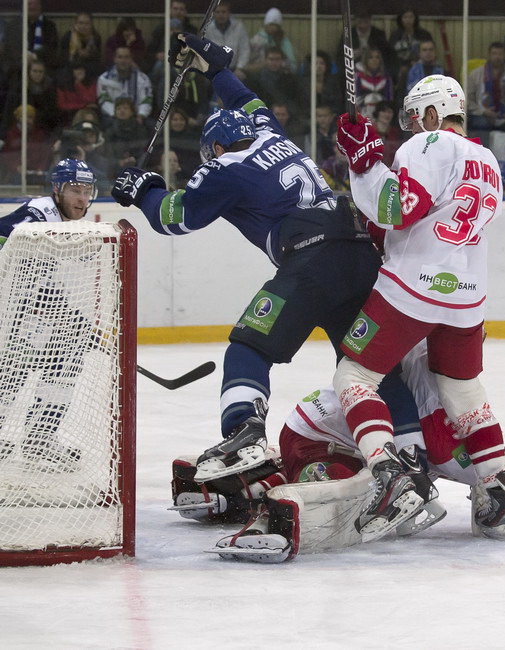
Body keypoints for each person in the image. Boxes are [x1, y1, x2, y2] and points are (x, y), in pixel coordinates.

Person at [110, 34, 414, 490]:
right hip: (361, 257)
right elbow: (246, 99)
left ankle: (243, 433)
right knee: (368, 369)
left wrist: (144, 189)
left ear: (214, 148)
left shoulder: (224, 168)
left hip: (313, 262)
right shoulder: (271, 132)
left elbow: (176, 219)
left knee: (248, 348)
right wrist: (216, 71)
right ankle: (410, 452)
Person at [332, 74, 505, 543]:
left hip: (414, 286)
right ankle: (499, 493)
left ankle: (390, 475)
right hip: (467, 295)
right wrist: (372, 164)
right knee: (463, 390)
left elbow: (398, 209)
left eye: (416, 117)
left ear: (434, 114)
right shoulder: (488, 160)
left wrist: (364, 165)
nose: (413, 127)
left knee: (354, 376)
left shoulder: (428, 144)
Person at [170, 340, 505, 561]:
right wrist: (500, 475)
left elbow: (453, 454)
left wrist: (499, 467)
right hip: (313, 438)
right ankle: (267, 506)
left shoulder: (431, 371)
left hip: (334, 433)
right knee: (364, 491)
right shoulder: (443, 400)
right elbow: (450, 457)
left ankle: (250, 482)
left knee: (388, 476)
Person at [0, 159, 99, 470]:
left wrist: (66, 312)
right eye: (74, 190)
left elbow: (40, 274)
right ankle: (38, 441)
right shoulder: (41, 212)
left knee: (64, 361)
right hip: (13, 313)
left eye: (87, 191)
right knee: (11, 373)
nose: (81, 199)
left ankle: (39, 440)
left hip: (25, 310)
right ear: (57, 190)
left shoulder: (60, 219)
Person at [466, 41, 505, 136]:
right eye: (494, 54)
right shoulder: (475, 74)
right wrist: (483, 111)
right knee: (481, 123)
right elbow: (469, 100)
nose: (497, 57)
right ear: (489, 55)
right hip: (483, 116)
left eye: (500, 54)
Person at [97, 46, 153, 126]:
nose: (123, 61)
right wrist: (119, 115)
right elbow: (105, 102)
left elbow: (146, 101)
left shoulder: (143, 79)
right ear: (115, 59)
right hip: (113, 117)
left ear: (131, 59)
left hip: (137, 116)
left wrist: (141, 115)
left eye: (126, 57)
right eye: (120, 57)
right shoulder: (104, 79)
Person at [206, 0, 250, 82]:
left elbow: (245, 50)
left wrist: (240, 68)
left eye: (223, 12)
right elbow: (205, 51)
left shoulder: (239, 27)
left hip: (235, 68)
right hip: (215, 69)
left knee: (243, 80)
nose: (220, 15)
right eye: (217, 12)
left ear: (229, 13)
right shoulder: (208, 29)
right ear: (213, 14)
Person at [247, 7, 296, 75]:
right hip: (259, 74)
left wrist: (279, 64)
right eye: (271, 24)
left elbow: (293, 65)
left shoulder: (284, 41)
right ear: (265, 25)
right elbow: (248, 63)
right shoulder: (256, 40)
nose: (273, 27)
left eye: (276, 25)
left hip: (280, 74)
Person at [58, 12, 103, 79]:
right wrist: (77, 54)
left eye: (87, 23)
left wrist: (88, 55)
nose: (83, 26)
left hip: (89, 67)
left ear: (91, 24)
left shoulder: (95, 37)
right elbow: (63, 57)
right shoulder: (68, 36)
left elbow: (97, 57)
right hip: (71, 66)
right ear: (76, 24)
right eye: (81, 23)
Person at [354, 47, 394, 120]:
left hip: (382, 116)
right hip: (363, 115)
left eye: (377, 57)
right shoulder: (358, 77)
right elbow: (356, 100)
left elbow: (389, 100)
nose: (374, 60)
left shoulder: (386, 77)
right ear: (365, 60)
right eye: (370, 57)